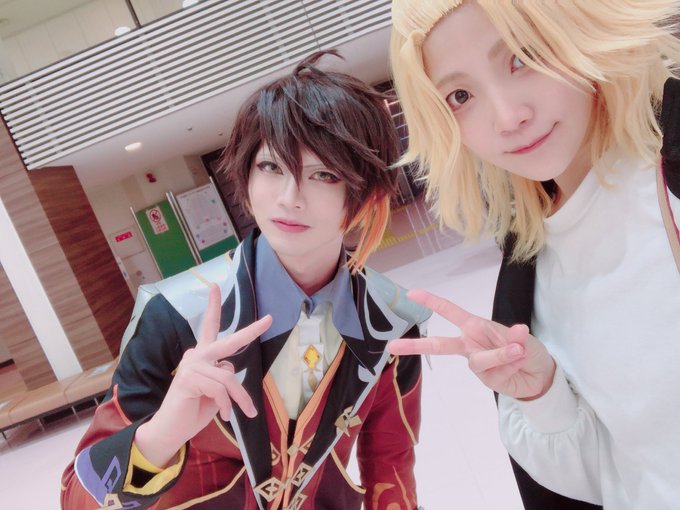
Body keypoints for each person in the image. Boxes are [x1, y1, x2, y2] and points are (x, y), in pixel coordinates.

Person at [61, 50, 430, 510]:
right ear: (246, 177)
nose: (290, 198)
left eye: (324, 174)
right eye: (271, 167)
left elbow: (391, 470)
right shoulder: (177, 314)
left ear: (365, 194)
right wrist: (160, 436)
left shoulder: (391, 323)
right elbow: (77, 499)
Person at [387, 1, 680, 509]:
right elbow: (620, 477)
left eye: (522, 58)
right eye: (460, 96)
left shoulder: (667, 181)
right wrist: (543, 395)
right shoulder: (526, 271)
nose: (508, 117)